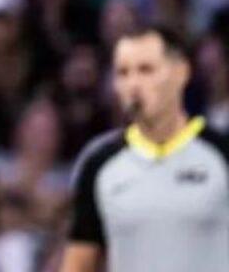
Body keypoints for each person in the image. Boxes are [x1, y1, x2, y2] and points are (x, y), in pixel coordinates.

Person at [60, 25, 229, 272]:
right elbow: (78, 263)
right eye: (123, 73)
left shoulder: (221, 154)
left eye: (146, 70)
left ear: (181, 73)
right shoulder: (99, 164)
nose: (134, 85)